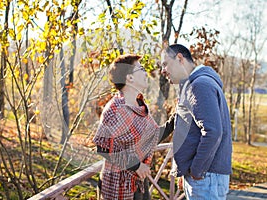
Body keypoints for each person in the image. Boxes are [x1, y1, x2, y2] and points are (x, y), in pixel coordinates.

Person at [93, 54, 174, 200]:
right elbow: (103, 148)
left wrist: (178, 116)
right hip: (118, 186)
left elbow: (153, 136)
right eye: (141, 69)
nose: (145, 73)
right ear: (130, 78)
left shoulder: (139, 106)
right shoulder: (115, 109)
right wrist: (136, 166)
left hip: (138, 183)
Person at [161, 44, 232, 200]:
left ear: (179, 58)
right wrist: (185, 170)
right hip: (206, 176)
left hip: (206, 176)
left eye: (165, 64)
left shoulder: (199, 86)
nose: (163, 70)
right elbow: (187, 126)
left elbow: (213, 132)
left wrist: (196, 170)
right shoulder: (196, 84)